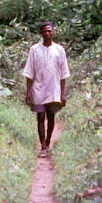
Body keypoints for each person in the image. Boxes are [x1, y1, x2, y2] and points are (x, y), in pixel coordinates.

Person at [23, 21, 70, 155]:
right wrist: (28, 93)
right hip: (38, 88)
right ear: (41, 33)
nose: (47, 33)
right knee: (40, 116)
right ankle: (43, 145)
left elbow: (63, 73)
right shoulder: (34, 50)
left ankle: (48, 142)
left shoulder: (59, 50)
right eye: (44, 31)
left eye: (49, 31)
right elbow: (29, 72)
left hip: (54, 89)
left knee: (51, 116)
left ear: (53, 32)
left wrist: (62, 94)